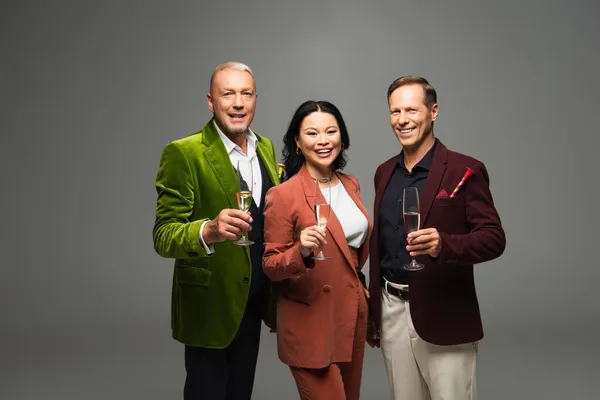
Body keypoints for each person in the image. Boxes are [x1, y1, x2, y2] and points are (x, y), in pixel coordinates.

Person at [368, 76, 506, 400]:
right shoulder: (383, 172)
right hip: (392, 313)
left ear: (433, 112)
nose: (402, 120)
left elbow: (494, 238)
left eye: (411, 110)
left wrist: (445, 244)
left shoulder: (465, 170)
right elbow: (382, 247)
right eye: (395, 112)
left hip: (445, 314)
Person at [152, 61, 280, 400]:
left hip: (253, 304)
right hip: (208, 309)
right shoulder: (184, 153)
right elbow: (163, 236)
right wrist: (208, 230)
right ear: (211, 101)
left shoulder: (265, 148)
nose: (238, 103)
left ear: (256, 99)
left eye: (245, 94)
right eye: (228, 94)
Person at [262, 101, 372, 400]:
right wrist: (302, 251)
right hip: (310, 320)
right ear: (298, 142)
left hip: (350, 315)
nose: (323, 141)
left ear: (342, 137)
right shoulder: (283, 194)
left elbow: (351, 256)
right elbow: (271, 265)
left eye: (331, 131)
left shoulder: (351, 184)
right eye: (312, 133)